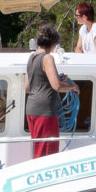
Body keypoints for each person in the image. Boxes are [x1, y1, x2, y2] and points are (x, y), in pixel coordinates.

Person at [25, 24, 66, 156]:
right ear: (53, 43)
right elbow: (57, 86)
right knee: (47, 154)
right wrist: (73, 87)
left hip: (31, 109)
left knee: (39, 150)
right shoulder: (48, 58)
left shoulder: (31, 58)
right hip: (45, 112)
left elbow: (27, 87)